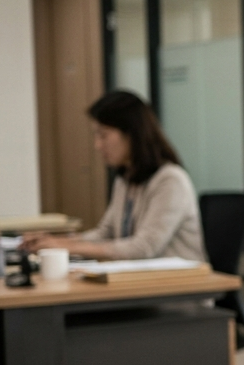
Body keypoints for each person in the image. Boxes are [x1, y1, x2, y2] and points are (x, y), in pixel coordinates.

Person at [23, 91, 206, 262]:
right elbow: (105, 234)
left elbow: (144, 248)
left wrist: (67, 247)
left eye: (103, 136)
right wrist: (57, 241)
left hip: (175, 289)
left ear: (131, 135)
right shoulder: (125, 180)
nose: (98, 145)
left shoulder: (170, 180)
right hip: (137, 281)